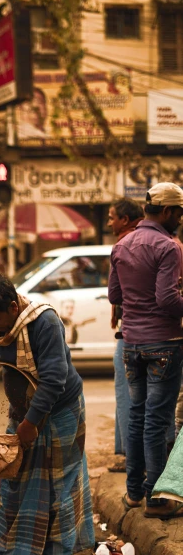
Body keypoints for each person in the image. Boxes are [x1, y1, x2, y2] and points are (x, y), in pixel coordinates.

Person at [0, 275, 94, 555]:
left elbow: (54, 378)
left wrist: (31, 424)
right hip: (22, 408)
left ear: (14, 307)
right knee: (14, 477)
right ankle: (5, 547)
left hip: (60, 408)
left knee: (58, 483)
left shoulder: (45, 322)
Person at [108, 182, 183, 520]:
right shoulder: (169, 246)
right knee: (156, 421)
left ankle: (134, 493)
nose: (180, 218)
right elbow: (168, 300)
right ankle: (155, 497)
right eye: (179, 212)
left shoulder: (122, 244)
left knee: (137, 417)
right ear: (167, 211)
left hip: (132, 344)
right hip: (164, 344)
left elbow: (114, 295)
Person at [107, 197, 145, 473]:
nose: (109, 222)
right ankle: (130, 453)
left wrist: (118, 310)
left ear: (125, 219)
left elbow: (116, 292)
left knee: (128, 392)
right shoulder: (158, 242)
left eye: (112, 217)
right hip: (142, 328)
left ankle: (133, 457)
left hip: (133, 330)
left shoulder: (124, 245)